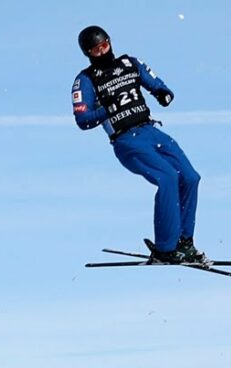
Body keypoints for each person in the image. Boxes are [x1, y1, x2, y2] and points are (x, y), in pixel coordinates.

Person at [71, 25, 206, 264]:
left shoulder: (129, 63)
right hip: (126, 140)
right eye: (96, 51)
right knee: (167, 178)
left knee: (190, 177)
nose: (102, 52)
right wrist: (107, 108)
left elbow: (154, 81)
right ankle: (166, 248)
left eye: (105, 46)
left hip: (151, 131)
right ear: (88, 54)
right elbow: (83, 120)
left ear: (110, 42)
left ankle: (184, 243)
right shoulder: (86, 80)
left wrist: (163, 93)